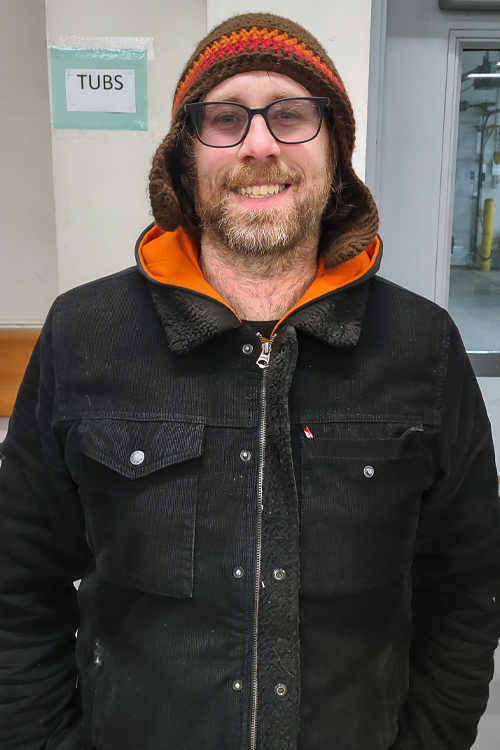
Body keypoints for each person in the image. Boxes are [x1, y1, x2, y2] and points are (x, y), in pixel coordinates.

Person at [1, 12, 499, 750]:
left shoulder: (423, 347)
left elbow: (465, 590)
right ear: (182, 158)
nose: (260, 143)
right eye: (225, 118)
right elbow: (17, 586)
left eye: (292, 115)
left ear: (335, 154)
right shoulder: (84, 333)